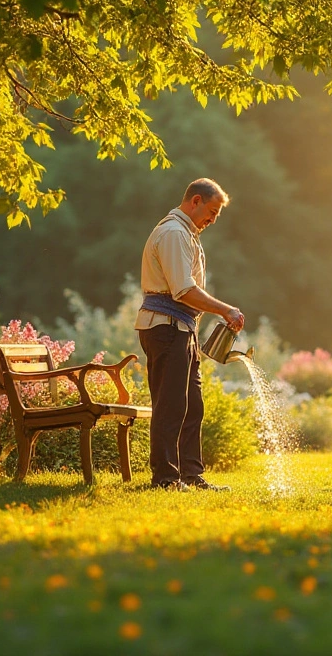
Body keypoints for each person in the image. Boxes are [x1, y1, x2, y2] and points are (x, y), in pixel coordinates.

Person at [136, 178, 245, 491]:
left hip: (182, 327)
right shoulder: (173, 232)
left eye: (216, 215)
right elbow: (183, 289)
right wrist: (225, 310)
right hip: (165, 326)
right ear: (194, 201)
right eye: (211, 211)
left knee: (192, 405)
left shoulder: (187, 233)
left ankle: (191, 476)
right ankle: (165, 479)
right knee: (170, 405)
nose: (212, 219)